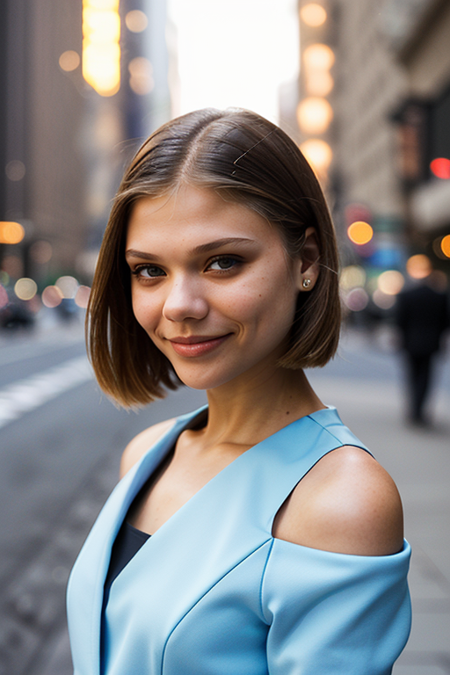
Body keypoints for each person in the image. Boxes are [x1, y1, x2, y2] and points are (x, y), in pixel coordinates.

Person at [67, 108, 411, 674]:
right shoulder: (149, 452)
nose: (179, 305)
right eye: (149, 270)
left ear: (305, 261)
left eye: (223, 263)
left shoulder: (341, 503)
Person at [396, 269, 449, 425]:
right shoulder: (439, 297)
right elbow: (446, 321)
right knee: (425, 378)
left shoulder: (407, 296)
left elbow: (400, 320)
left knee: (412, 376)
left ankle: (413, 409)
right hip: (431, 344)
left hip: (410, 343)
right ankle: (419, 410)